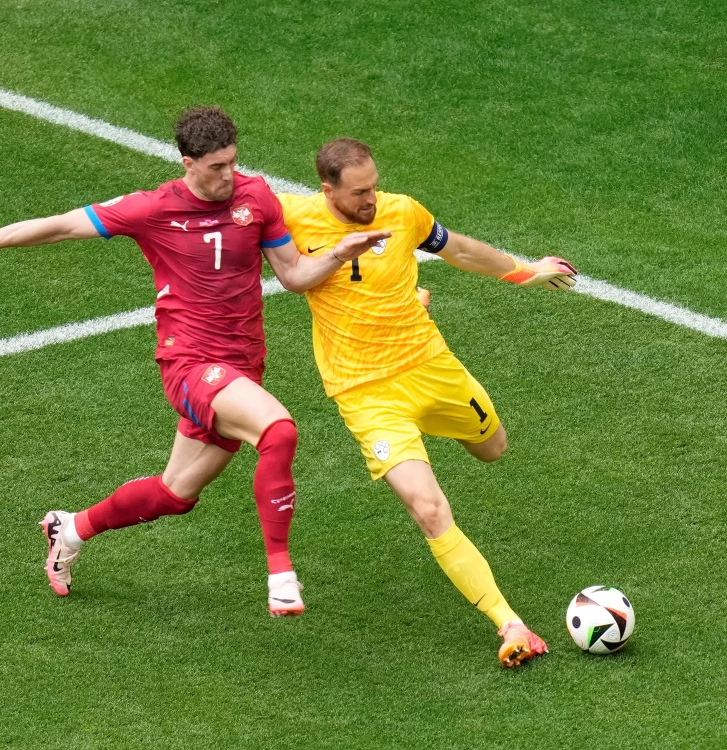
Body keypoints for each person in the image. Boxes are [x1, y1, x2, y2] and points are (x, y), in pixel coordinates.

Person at [0, 109, 388, 616]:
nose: (228, 175)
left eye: (232, 162)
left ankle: (68, 529)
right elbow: (59, 227)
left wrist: (340, 252)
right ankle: (281, 576)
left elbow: (293, 274)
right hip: (189, 364)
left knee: (175, 493)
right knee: (279, 431)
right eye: (216, 167)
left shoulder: (257, 197)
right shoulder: (152, 208)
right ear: (189, 163)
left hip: (242, 366)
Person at [277, 138, 577, 665]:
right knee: (428, 507)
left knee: (493, 449)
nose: (372, 197)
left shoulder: (402, 211)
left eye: (374, 184)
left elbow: (458, 248)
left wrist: (526, 270)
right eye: (359, 191)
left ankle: (417, 306)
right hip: (366, 393)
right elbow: (222, 209)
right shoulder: (290, 215)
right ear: (328, 190)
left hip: (429, 366)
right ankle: (510, 625)